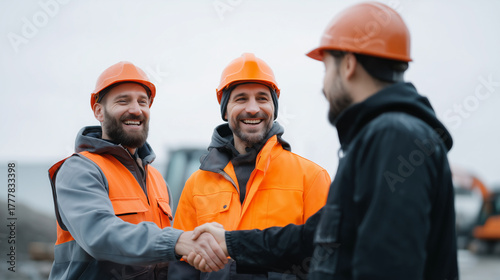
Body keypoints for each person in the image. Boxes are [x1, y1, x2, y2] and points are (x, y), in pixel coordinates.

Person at [189, 3, 459, 280]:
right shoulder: (384, 136)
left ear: (349, 65)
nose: (324, 85)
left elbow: (388, 266)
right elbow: (314, 237)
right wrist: (232, 242)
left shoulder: (393, 137)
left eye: (327, 68)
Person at [48, 61, 227, 279]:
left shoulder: (157, 179)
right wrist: (178, 241)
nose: (136, 109)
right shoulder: (80, 169)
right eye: (123, 101)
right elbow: (99, 234)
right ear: (98, 111)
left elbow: (165, 256)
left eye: (143, 102)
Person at [168, 53, 331, 279]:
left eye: (263, 98)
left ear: (274, 108)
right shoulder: (196, 185)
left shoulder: (312, 178)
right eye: (241, 98)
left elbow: (325, 257)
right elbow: (182, 266)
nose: (253, 109)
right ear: (225, 110)